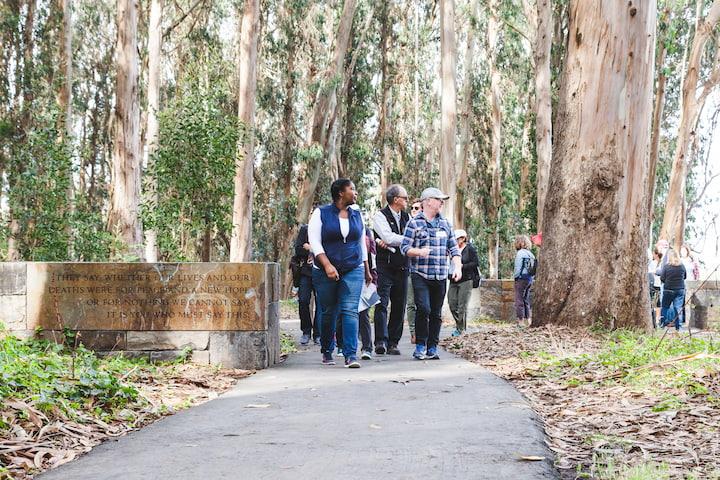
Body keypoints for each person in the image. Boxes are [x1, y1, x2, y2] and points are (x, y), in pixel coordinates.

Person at [309, 179, 372, 368]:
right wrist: (327, 265)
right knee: (329, 311)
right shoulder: (321, 213)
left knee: (350, 310)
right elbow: (315, 242)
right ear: (340, 193)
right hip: (324, 270)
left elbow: (362, 243)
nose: (355, 192)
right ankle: (327, 349)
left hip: (353, 268)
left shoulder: (357, 214)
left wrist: (367, 269)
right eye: (352, 189)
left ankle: (350, 355)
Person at [400, 187, 462, 360]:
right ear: (427, 201)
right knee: (424, 308)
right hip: (420, 274)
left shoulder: (445, 224)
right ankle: (420, 344)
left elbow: (454, 249)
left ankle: (432, 347)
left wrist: (457, 267)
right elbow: (404, 248)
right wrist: (419, 252)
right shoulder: (414, 223)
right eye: (438, 199)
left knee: (436, 312)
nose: (442, 202)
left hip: (441, 275)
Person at [372, 184, 411, 355]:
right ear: (396, 200)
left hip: (402, 266)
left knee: (399, 305)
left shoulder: (407, 217)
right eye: (405, 198)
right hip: (384, 266)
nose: (407, 201)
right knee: (381, 303)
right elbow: (387, 236)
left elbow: (402, 238)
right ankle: (380, 340)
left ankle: (393, 342)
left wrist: (400, 240)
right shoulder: (380, 216)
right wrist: (408, 239)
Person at [447, 229, 479, 336]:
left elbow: (475, 263)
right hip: (453, 279)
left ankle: (460, 329)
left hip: (466, 279)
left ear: (463, 239)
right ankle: (459, 325)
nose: (456, 241)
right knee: (452, 304)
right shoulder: (452, 249)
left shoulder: (469, 249)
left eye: (458, 239)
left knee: (462, 305)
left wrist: (462, 266)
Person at [293, 224, 320, 345]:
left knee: (321, 304)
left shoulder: (325, 229)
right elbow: (298, 249)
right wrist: (308, 249)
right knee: (303, 301)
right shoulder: (305, 229)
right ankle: (306, 331)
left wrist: (311, 247)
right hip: (305, 272)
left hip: (322, 271)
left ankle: (318, 334)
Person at [358, 228, 378, 359]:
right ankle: (342, 345)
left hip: (367, 278)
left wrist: (372, 278)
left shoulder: (367, 234)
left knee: (363, 312)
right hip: (345, 274)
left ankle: (367, 347)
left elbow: (372, 259)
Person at [405, 199, 422, 343]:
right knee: (411, 303)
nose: (414, 210)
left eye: (417, 208)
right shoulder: (408, 224)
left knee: (424, 304)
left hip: (424, 271)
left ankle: (423, 331)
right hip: (409, 269)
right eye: (412, 208)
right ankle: (413, 332)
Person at [659, 248, 686, 331]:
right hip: (680, 289)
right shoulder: (682, 266)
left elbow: (662, 278)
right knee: (678, 308)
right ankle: (679, 326)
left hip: (668, 289)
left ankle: (662, 325)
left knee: (665, 307)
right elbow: (685, 277)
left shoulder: (666, 266)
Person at [513, 235, 535, 327]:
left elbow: (518, 267)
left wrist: (516, 277)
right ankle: (528, 320)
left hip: (521, 278)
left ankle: (520, 321)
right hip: (529, 279)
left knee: (519, 300)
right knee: (526, 300)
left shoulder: (520, 253)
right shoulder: (531, 254)